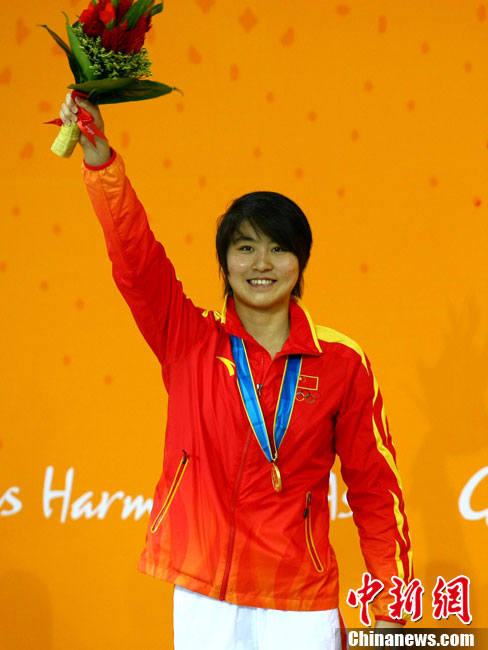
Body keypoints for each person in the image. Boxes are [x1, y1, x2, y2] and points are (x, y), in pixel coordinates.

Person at [59, 93, 411, 649]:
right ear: (224, 262)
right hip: (206, 593)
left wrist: (391, 604)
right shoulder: (189, 338)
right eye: (245, 248)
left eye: (278, 249)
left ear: (301, 262)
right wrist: (101, 162)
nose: (261, 264)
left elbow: (375, 489)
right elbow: (135, 257)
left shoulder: (342, 362)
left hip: (299, 599)